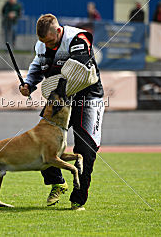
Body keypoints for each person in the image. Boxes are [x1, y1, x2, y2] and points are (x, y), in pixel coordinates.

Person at [19, 14, 105, 211]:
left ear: (58, 31)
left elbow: (78, 70)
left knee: (87, 149)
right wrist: (29, 84)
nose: (46, 46)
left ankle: (78, 199)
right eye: (43, 42)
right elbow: (37, 66)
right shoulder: (42, 44)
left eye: (49, 41)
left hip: (87, 96)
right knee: (42, 142)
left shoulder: (79, 39)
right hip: (60, 96)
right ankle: (57, 181)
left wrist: (50, 86)